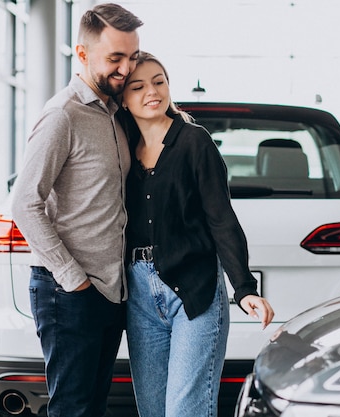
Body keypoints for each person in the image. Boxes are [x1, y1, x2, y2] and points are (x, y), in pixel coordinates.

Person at [119, 52, 275, 417]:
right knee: (154, 412)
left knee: (185, 411)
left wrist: (245, 288)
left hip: (194, 291)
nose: (152, 91)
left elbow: (221, 219)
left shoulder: (194, 141)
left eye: (159, 81)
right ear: (123, 98)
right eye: (138, 86)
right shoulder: (122, 148)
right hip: (139, 296)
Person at [11, 4, 142, 417]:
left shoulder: (116, 114)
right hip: (69, 292)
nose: (126, 68)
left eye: (132, 56)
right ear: (82, 55)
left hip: (109, 290)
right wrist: (74, 281)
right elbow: (24, 203)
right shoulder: (61, 115)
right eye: (115, 58)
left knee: (92, 408)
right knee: (72, 409)